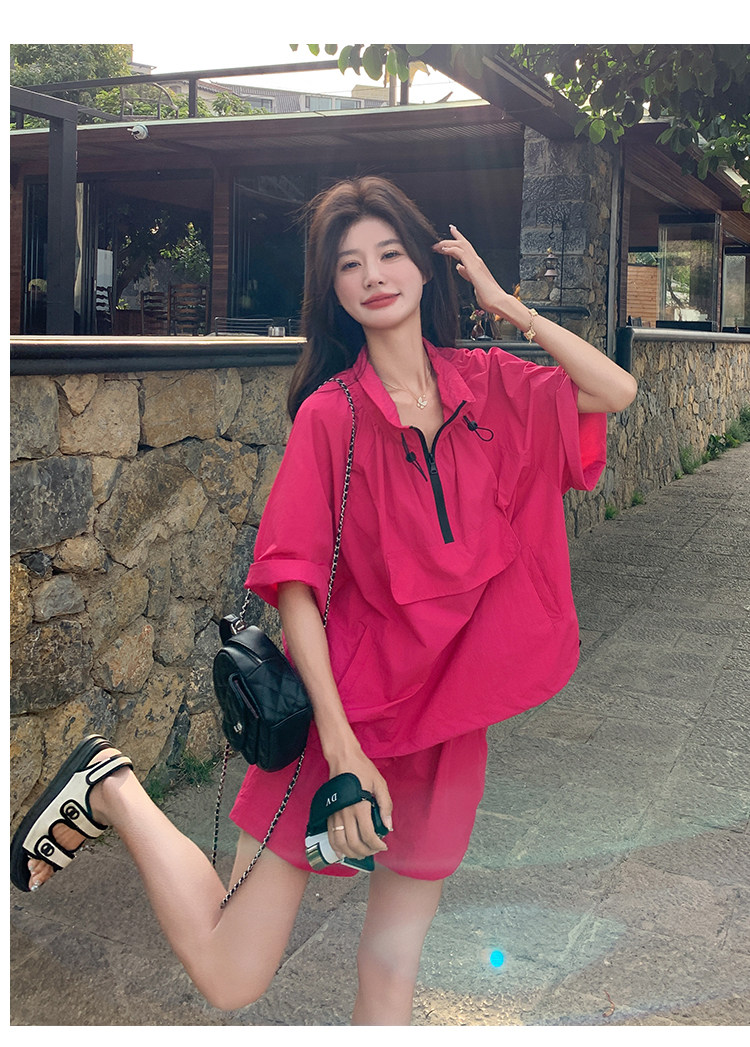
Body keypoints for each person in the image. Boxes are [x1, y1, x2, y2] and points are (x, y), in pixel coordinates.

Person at [10, 176, 637, 1025]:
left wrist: (505, 306)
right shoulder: (331, 416)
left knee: (391, 964)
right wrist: (342, 752)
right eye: (349, 263)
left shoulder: (490, 385)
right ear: (333, 290)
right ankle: (111, 782)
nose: (373, 274)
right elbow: (295, 589)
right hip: (339, 723)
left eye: (390, 253)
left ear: (426, 266)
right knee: (233, 973)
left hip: (445, 729)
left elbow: (614, 391)